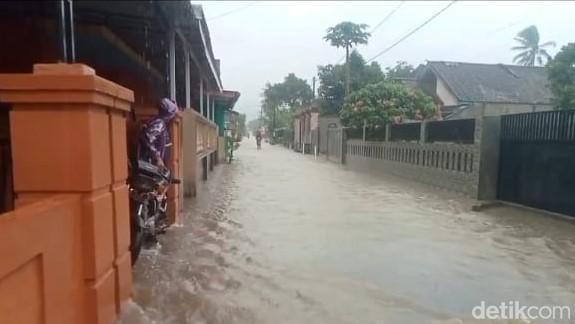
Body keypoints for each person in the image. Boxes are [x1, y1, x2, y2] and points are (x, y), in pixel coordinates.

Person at [139, 98, 178, 167]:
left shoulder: (159, 122)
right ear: (168, 113)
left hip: (153, 163)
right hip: (150, 164)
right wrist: (157, 158)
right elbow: (147, 138)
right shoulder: (159, 123)